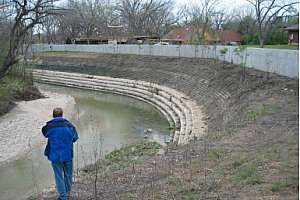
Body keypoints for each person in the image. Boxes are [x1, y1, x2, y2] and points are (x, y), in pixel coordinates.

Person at [42, 107, 79, 200]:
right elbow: (75, 138)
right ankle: (67, 193)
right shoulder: (70, 126)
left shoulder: (49, 126)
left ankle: (63, 196)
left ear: (53, 115)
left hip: (55, 155)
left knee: (59, 176)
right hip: (68, 154)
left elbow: (44, 133)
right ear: (62, 115)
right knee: (68, 175)